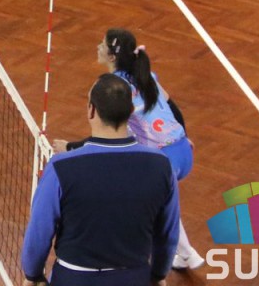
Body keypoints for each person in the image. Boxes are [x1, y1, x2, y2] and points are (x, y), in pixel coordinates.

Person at [51, 29, 202, 271]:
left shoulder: (113, 88)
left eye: (102, 44)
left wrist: (69, 147)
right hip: (183, 151)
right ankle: (185, 254)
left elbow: (106, 134)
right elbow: (173, 107)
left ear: (112, 57)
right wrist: (183, 135)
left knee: (150, 203)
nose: (98, 47)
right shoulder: (146, 75)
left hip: (163, 159)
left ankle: (175, 254)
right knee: (161, 199)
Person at [22, 73, 180, 286]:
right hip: (134, 278)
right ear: (131, 111)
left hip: (74, 279)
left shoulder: (60, 167)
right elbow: (168, 234)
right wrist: (159, 275)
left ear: (91, 110)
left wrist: (32, 275)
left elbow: (39, 231)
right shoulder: (162, 165)